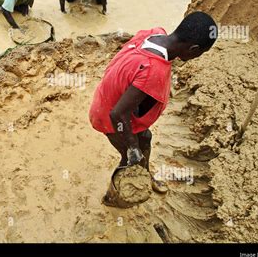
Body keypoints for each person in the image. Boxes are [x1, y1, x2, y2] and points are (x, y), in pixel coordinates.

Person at [89, 12, 218, 202]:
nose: (197, 57)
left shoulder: (155, 34)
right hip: (109, 117)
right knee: (129, 159)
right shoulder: (152, 69)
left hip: (120, 104)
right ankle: (113, 198)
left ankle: (145, 174)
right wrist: (132, 147)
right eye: (200, 53)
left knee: (146, 138)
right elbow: (117, 114)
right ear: (193, 49)